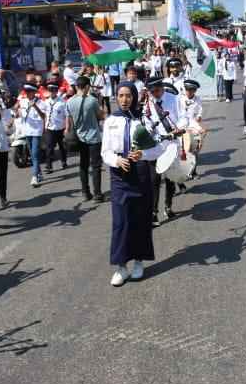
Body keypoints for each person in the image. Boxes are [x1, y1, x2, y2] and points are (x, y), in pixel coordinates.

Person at [102, 82, 164, 287]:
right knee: (121, 221)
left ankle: (138, 261)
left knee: (140, 219)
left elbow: (158, 149)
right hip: (120, 175)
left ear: (135, 97)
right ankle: (121, 266)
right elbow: (105, 152)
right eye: (120, 95)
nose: (124, 99)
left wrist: (143, 154)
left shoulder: (144, 120)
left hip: (140, 173)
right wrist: (117, 161)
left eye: (128, 95)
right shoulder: (111, 121)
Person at [145, 76, 185, 222]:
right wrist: (149, 128)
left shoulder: (174, 99)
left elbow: (183, 117)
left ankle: (168, 207)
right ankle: (153, 212)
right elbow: (146, 120)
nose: (155, 94)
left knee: (170, 178)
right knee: (154, 180)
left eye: (157, 90)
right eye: (152, 92)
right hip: (155, 145)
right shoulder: (148, 102)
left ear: (161, 87)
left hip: (172, 143)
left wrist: (179, 127)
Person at [67, 76, 105, 202]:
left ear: (77, 86)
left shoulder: (69, 102)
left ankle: (85, 192)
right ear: (87, 86)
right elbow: (100, 116)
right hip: (93, 137)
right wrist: (100, 103)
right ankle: (97, 194)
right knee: (96, 166)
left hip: (79, 137)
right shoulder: (92, 100)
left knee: (83, 165)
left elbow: (69, 121)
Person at [17, 83, 48, 188]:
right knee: (32, 153)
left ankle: (34, 176)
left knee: (34, 154)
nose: (28, 94)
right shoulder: (23, 101)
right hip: (27, 131)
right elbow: (19, 112)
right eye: (26, 92)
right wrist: (18, 112)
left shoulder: (41, 103)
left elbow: (43, 116)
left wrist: (35, 106)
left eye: (30, 92)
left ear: (34, 92)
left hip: (36, 132)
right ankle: (39, 173)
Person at [178, 79, 205, 181]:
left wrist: (198, 117)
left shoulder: (198, 99)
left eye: (192, 90)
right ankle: (183, 172)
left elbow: (200, 112)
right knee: (182, 150)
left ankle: (193, 171)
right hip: (181, 127)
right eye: (187, 90)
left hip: (193, 126)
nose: (189, 92)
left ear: (195, 91)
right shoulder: (179, 99)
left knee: (194, 150)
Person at [44, 80, 68, 174]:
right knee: (49, 147)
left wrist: (66, 128)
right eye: (50, 90)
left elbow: (66, 116)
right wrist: (44, 126)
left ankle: (63, 161)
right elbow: (44, 115)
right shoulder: (46, 102)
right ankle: (49, 166)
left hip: (60, 128)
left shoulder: (62, 102)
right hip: (50, 128)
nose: (51, 92)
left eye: (53, 90)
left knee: (62, 146)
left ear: (56, 91)